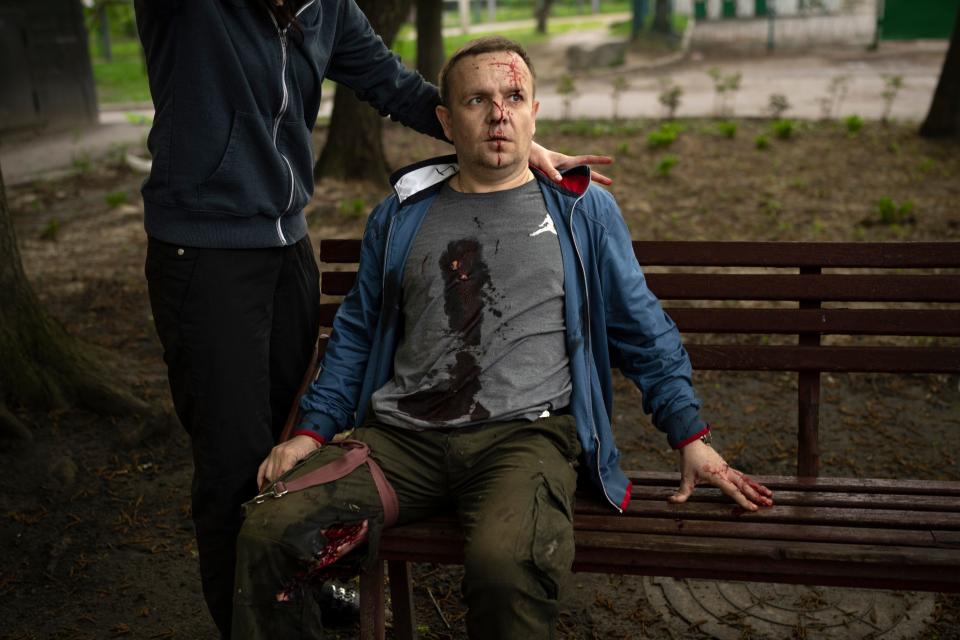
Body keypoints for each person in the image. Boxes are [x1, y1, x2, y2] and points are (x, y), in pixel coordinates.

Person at [235, 36, 774, 638]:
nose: (498, 114)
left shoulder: (581, 210)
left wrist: (689, 434)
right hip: (402, 443)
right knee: (270, 528)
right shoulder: (402, 214)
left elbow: (639, 324)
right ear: (445, 120)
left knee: (504, 565)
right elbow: (356, 333)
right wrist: (310, 432)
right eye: (477, 100)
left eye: (514, 96)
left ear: (534, 113)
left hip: (523, 439)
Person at [133, 2, 611, 637]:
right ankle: (250, 618)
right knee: (230, 463)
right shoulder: (196, 14)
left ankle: (297, 587)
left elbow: (398, 87)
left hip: (284, 248)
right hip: (206, 249)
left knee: (279, 445)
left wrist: (512, 141)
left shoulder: (326, 10)